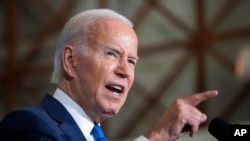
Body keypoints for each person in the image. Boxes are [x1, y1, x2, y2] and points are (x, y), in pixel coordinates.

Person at [0, 9, 218, 141]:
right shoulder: (29, 125)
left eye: (131, 61)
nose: (124, 71)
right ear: (70, 61)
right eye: (112, 54)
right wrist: (156, 136)